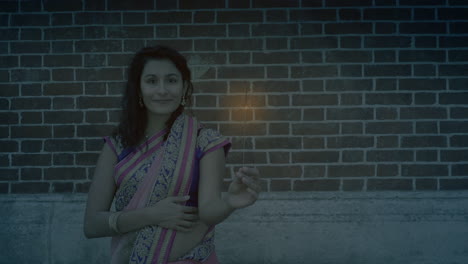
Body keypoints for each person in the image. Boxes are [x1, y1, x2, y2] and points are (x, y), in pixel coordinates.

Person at [83, 46, 261, 264]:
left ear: (184, 87)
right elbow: (92, 225)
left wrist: (230, 202)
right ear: (138, 89)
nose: (162, 90)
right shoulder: (117, 146)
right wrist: (152, 214)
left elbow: (209, 212)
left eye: (171, 80)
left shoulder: (204, 141)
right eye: (151, 81)